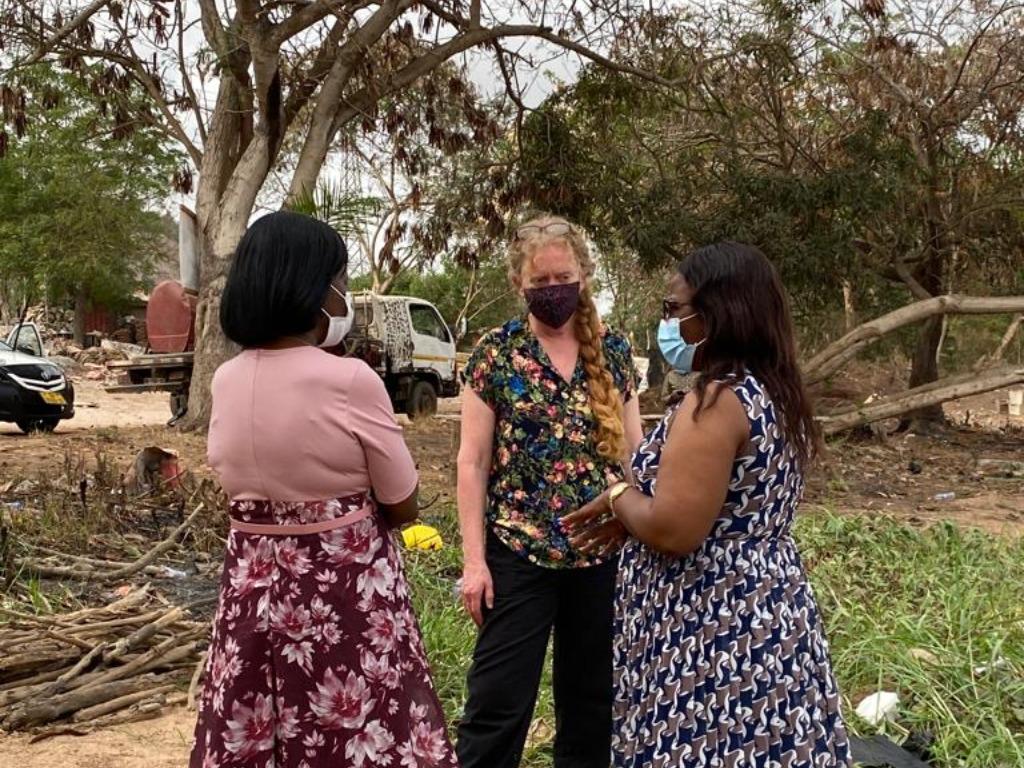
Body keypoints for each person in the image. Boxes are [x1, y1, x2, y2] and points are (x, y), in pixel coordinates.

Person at [566, 242, 851, 767]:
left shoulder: (717, 404)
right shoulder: (775, 392)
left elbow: (676, 529)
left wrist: (617, 496)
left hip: (709, 627)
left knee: (706, 747)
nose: (668, 324)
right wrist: (634, 519)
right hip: (766, 612)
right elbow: (723, 506)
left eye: (675, 310)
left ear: (719, 314)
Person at [189, 211, 456, 768]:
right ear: (312, 288)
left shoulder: (226, 379)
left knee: (261, 723)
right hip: (343, 594)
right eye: (339, 281)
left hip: (254, 592)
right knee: (356, 727)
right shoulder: (350, 379)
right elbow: (403, 499)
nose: (343, 296)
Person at [456, 214, 644, 768]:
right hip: (518, 553)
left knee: (593, 708)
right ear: (519, 285)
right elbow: (473, 461)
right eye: (539, 283)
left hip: (603, 555)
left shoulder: (612, 353)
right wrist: (474, 562)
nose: (552, 290)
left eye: (562, 277)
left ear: (584, 275)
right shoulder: (496, 354)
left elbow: (636, 454)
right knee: (497, 703)